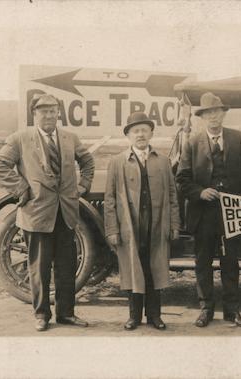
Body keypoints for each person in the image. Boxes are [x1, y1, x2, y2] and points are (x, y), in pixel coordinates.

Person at [0, 93, 95, 332]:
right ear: (34, 114)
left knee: (67, 267)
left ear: (59, 113)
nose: (48, 115)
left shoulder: (70, 138)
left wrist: (83, 186)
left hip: (66, 212)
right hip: (36, 213)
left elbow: (88, 162)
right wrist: (20, 188)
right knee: (39, 267)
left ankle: (66, 314)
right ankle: (41, 315)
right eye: (43, 111)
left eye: (52, 110)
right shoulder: (20, 139)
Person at [175, 92, 241, 327]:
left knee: (230, 261)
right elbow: (182, 179)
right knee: (203, 262)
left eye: (217, 112)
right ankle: (206, 310)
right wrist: (200, 192)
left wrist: (238, 198)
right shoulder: (192, 142)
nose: (213, 117)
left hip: (231, 214)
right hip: (203, 214)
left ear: (223, 114)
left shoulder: (237, 138)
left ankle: (232, 311)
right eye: (208, 113)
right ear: (202, 117)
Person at [104, 112, 180, 331]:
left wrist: (174, 225)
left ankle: (155, 316)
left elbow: (173, 196)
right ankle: (134, 316)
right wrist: (112, 229)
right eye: (135, 131)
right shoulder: (117, 162)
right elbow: (110, 199)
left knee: (154, 268)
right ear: (128, 135)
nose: (140, 135)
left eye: (144, 130)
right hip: (130, 225)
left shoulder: (163, 161)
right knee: (132, 268)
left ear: (151, 133)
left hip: (156, 225)